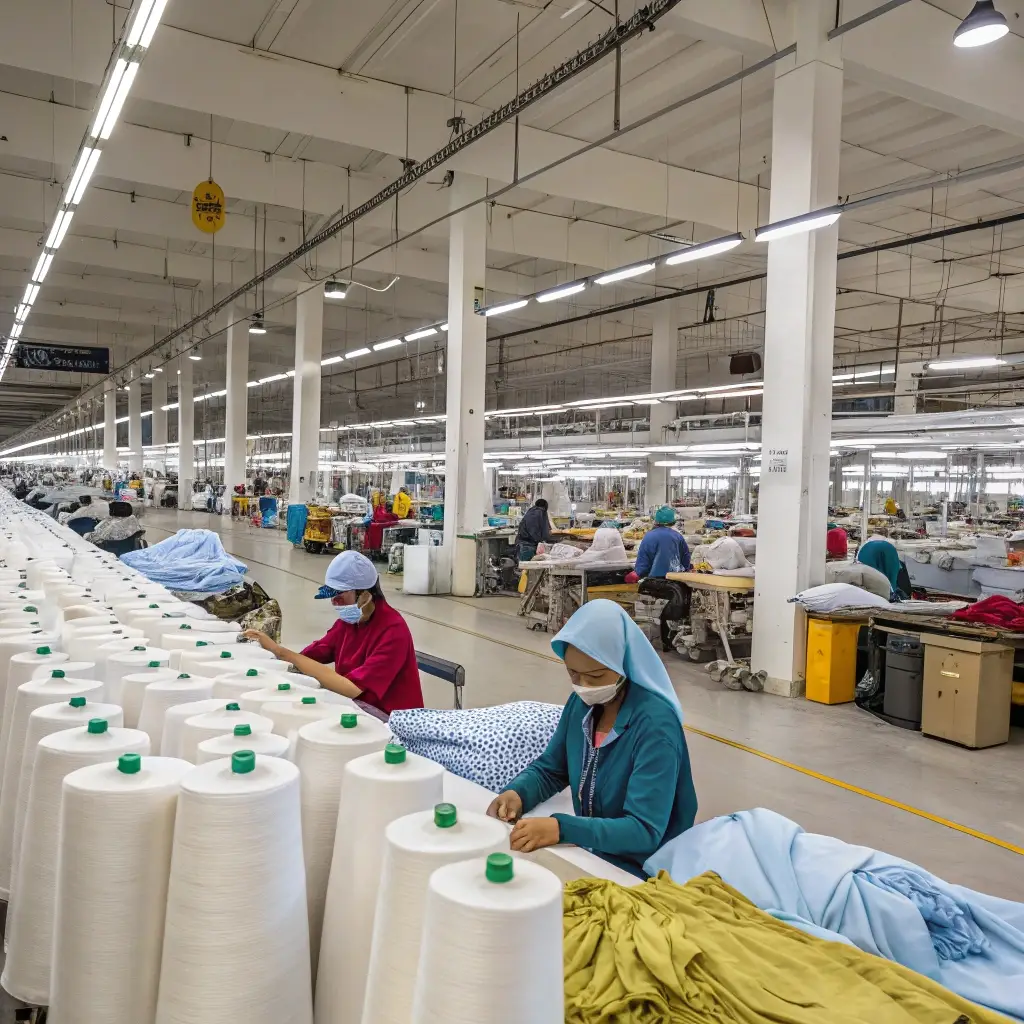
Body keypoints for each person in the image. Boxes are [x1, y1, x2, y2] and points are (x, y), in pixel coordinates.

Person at [487, 599, 697, 877]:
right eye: (573, 674)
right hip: (595, 850)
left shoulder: (655, 727)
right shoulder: (581, 706)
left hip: (647, 867)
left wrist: (562, 829)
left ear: (623, 664)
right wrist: (518, 793)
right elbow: (552, 769)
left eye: (596, 676)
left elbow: (643, 831)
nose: (584, 687)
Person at [242, 550, 423, 715]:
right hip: (358, 708)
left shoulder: (393, 630)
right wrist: (270, 657)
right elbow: (312, 655)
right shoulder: (348, 624)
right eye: (333, 598)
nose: (335, 603)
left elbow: (351, 688)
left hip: (391, 720)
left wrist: (282, 652)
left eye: (340, 597)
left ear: (365, 595)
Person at [627, 507, 692, 651]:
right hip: (676, 581)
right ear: (672, 521)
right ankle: (674, 638)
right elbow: (686, 560)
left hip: (656, 582)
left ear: (656, 521)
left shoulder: (650, 537)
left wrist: (634, 575)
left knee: (658, 605)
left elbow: (643, 565)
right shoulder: (678, 536)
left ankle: (660, 639)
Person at [515, 497, 554, 561]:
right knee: (527, 566)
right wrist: (545, 537)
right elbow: (535, 531)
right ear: (545, 507)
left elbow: (545, 527)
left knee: (527, 567)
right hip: (526, 545)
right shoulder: (538, 513)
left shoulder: (532, 511)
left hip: (525, 543)